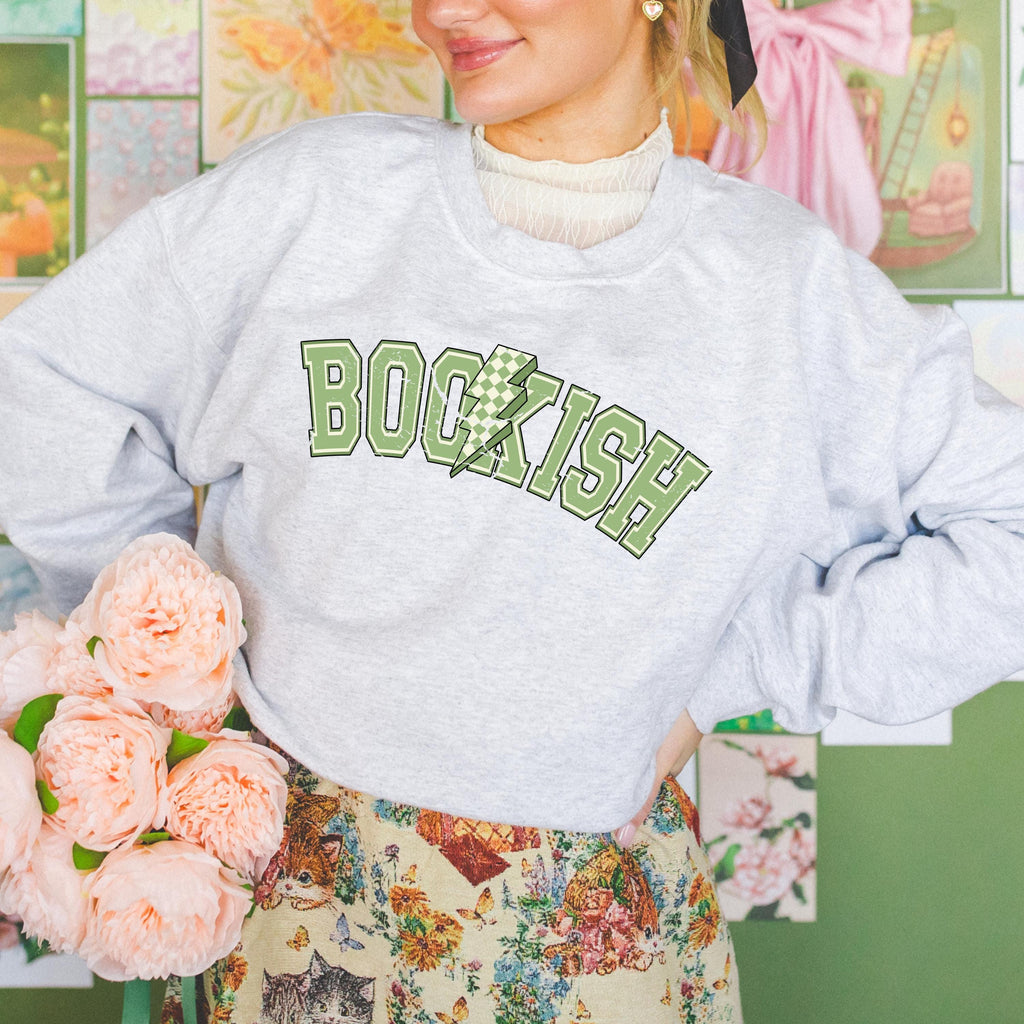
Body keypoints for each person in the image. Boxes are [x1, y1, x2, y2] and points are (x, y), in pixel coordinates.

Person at [1, 1, 1022, 1021]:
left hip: (584, 952)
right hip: (277, 920)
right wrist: (162, 670)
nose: (444, 11)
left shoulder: (781, 292)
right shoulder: (314, 202)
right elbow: (46, 385)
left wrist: (748, 664)